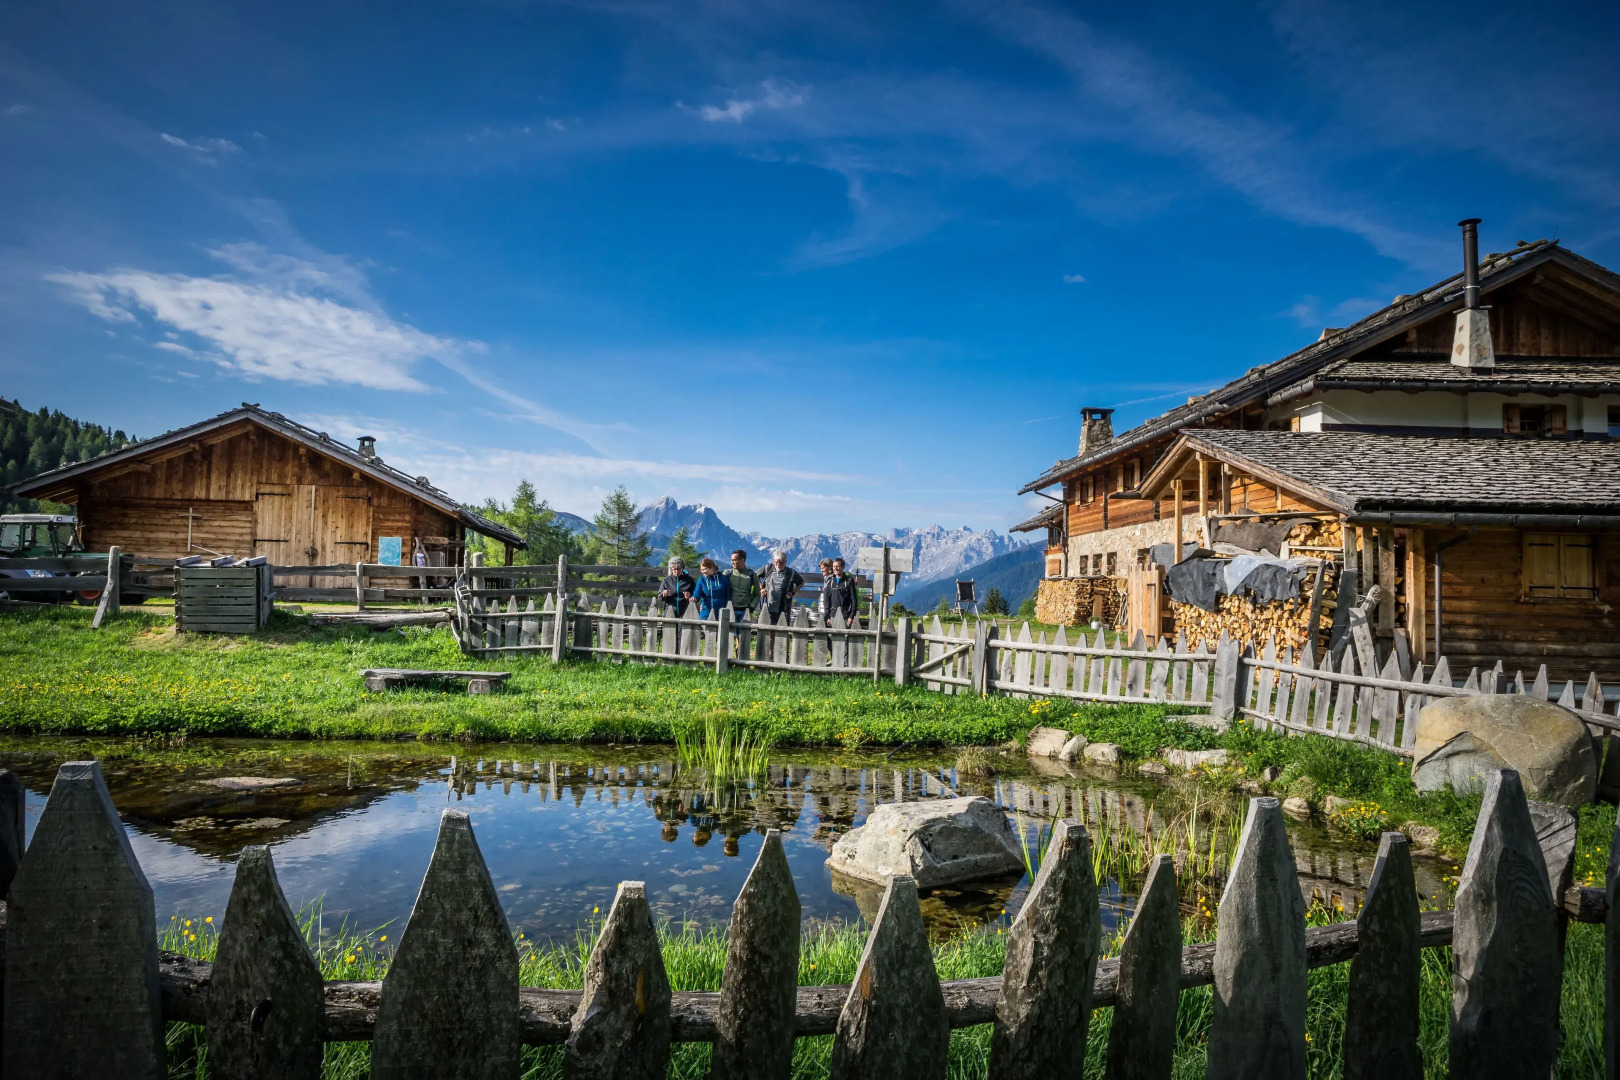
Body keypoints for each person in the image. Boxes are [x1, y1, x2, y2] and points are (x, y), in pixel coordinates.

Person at [759, 550, 804, 620]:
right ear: (774, 561)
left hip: (783, 607)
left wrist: (792, 593)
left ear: (786, 562)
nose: (778, 564)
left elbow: (801, 582)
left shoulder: (791, 573)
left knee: (781, 626)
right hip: (767, 605)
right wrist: (761, 588)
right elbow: (755, 575)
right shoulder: (768, 569)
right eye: (777, 562)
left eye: (781, 562)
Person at [725, 549, 759, 630]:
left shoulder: (751, 575)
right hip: (730, 609)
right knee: (730, 634)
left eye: (735, 560)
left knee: (743, 634)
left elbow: (757, 594)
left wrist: (752, 607)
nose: (732, 562)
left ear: (742, 560)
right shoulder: (727, 573)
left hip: (746, 610)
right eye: (731, 560)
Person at [823, 556, 859, 626]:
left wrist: (851, 616)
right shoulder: (830, 581)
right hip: (832, 615)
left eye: (837, 566)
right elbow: (827, 600)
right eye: (834, 566)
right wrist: (828, 615)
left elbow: (854, 599)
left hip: (845, 615)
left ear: (843, 567)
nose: (835, 569)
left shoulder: (849, 581)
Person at [815, 558, 834, 625]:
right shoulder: (826, 578)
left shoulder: (833, 580)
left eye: (823, 568)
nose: (821, 570)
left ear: (829, 567)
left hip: (831, 610)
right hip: (825, 609)